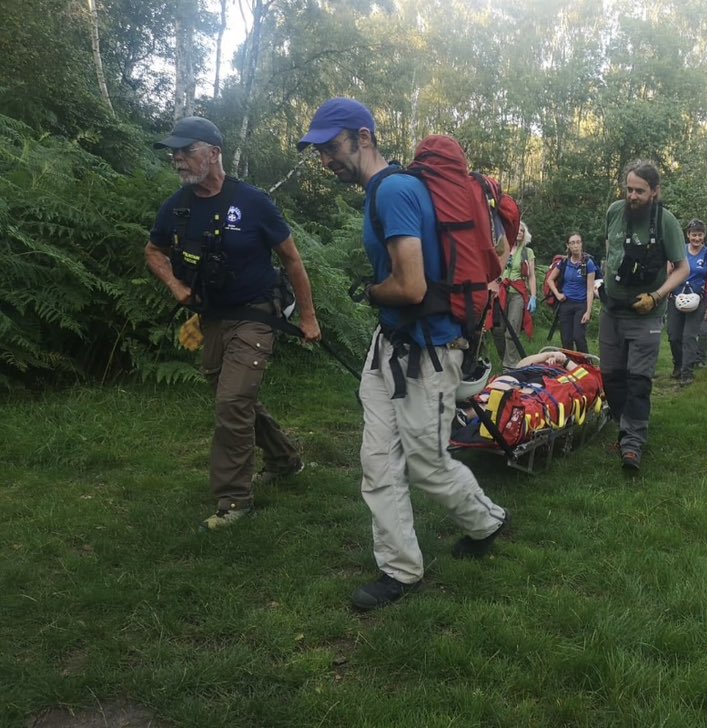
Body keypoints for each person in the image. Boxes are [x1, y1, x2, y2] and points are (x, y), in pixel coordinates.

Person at [298, 97, 507, 610]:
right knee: (378, 462)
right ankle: (400, 570)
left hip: (430, 352)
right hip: (390, 347)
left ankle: (487, 523)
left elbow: (411, 287)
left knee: (428, 464)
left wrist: (370, 291)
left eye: (332, 147)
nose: (326, 159)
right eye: (321, 150)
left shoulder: (393, 191)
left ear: (363, 138)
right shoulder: (387, 191)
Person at [145, 117, 320, 530]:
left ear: (214, 153)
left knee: (231, 403)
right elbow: (153, 251)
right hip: (212, 319)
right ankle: (285, 460)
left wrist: (310, 317)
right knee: (236, 400)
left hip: (257, 314)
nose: (178, 159)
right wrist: (175, 286)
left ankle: (233, 500)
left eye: (186, 151)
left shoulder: (254, 202)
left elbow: (291, 259)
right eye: (175, 152)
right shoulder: (177, 207)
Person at [600, 160, 688, 471]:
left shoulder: (666, 222)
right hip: (611, 310)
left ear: (655, 191)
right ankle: (623, 427)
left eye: (640, 191)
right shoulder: (614, 211)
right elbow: (610, 247)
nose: (633, 196)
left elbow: (683, 268)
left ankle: (633, 443)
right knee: (611, 377)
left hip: (646, 314)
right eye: (629, 189)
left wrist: (657, 296)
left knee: (638, 379)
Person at [667, 219, 707, 385]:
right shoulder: (679, 250)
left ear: (703, 235)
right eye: (693, 235)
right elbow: (669, 271)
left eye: (699, 235)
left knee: (689, 336)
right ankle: (678, 365)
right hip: (676, 297)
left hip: (698, 300)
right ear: (688, 235)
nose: (696, 238)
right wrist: (666, 289)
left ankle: (687, 373)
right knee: (674, 336)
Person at [493, 222, 538, 369]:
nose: (520, 232)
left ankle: (510, 366)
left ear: (525, 234)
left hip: (517, 293)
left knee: (512, 330)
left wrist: (533, 296)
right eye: (517, 229)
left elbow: (531, 276)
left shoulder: (527, 252)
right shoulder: (502, 248)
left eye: (522, 230)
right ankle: (506, 358)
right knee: (498, 329)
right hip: (501, 292)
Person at [547, 232, 596, 352]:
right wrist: (558, 295)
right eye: (572, 243)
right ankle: (569, 365)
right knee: (566, 339)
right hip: (565, 304)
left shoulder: (588, 263)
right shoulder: (564, 263)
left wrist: (588, 312)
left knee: (578, 337)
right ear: (568, 245)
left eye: (578, 242)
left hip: (581, 304)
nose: (575, 245)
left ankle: (586, 365)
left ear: (581, 244)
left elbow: (590, 289)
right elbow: (550, 280)